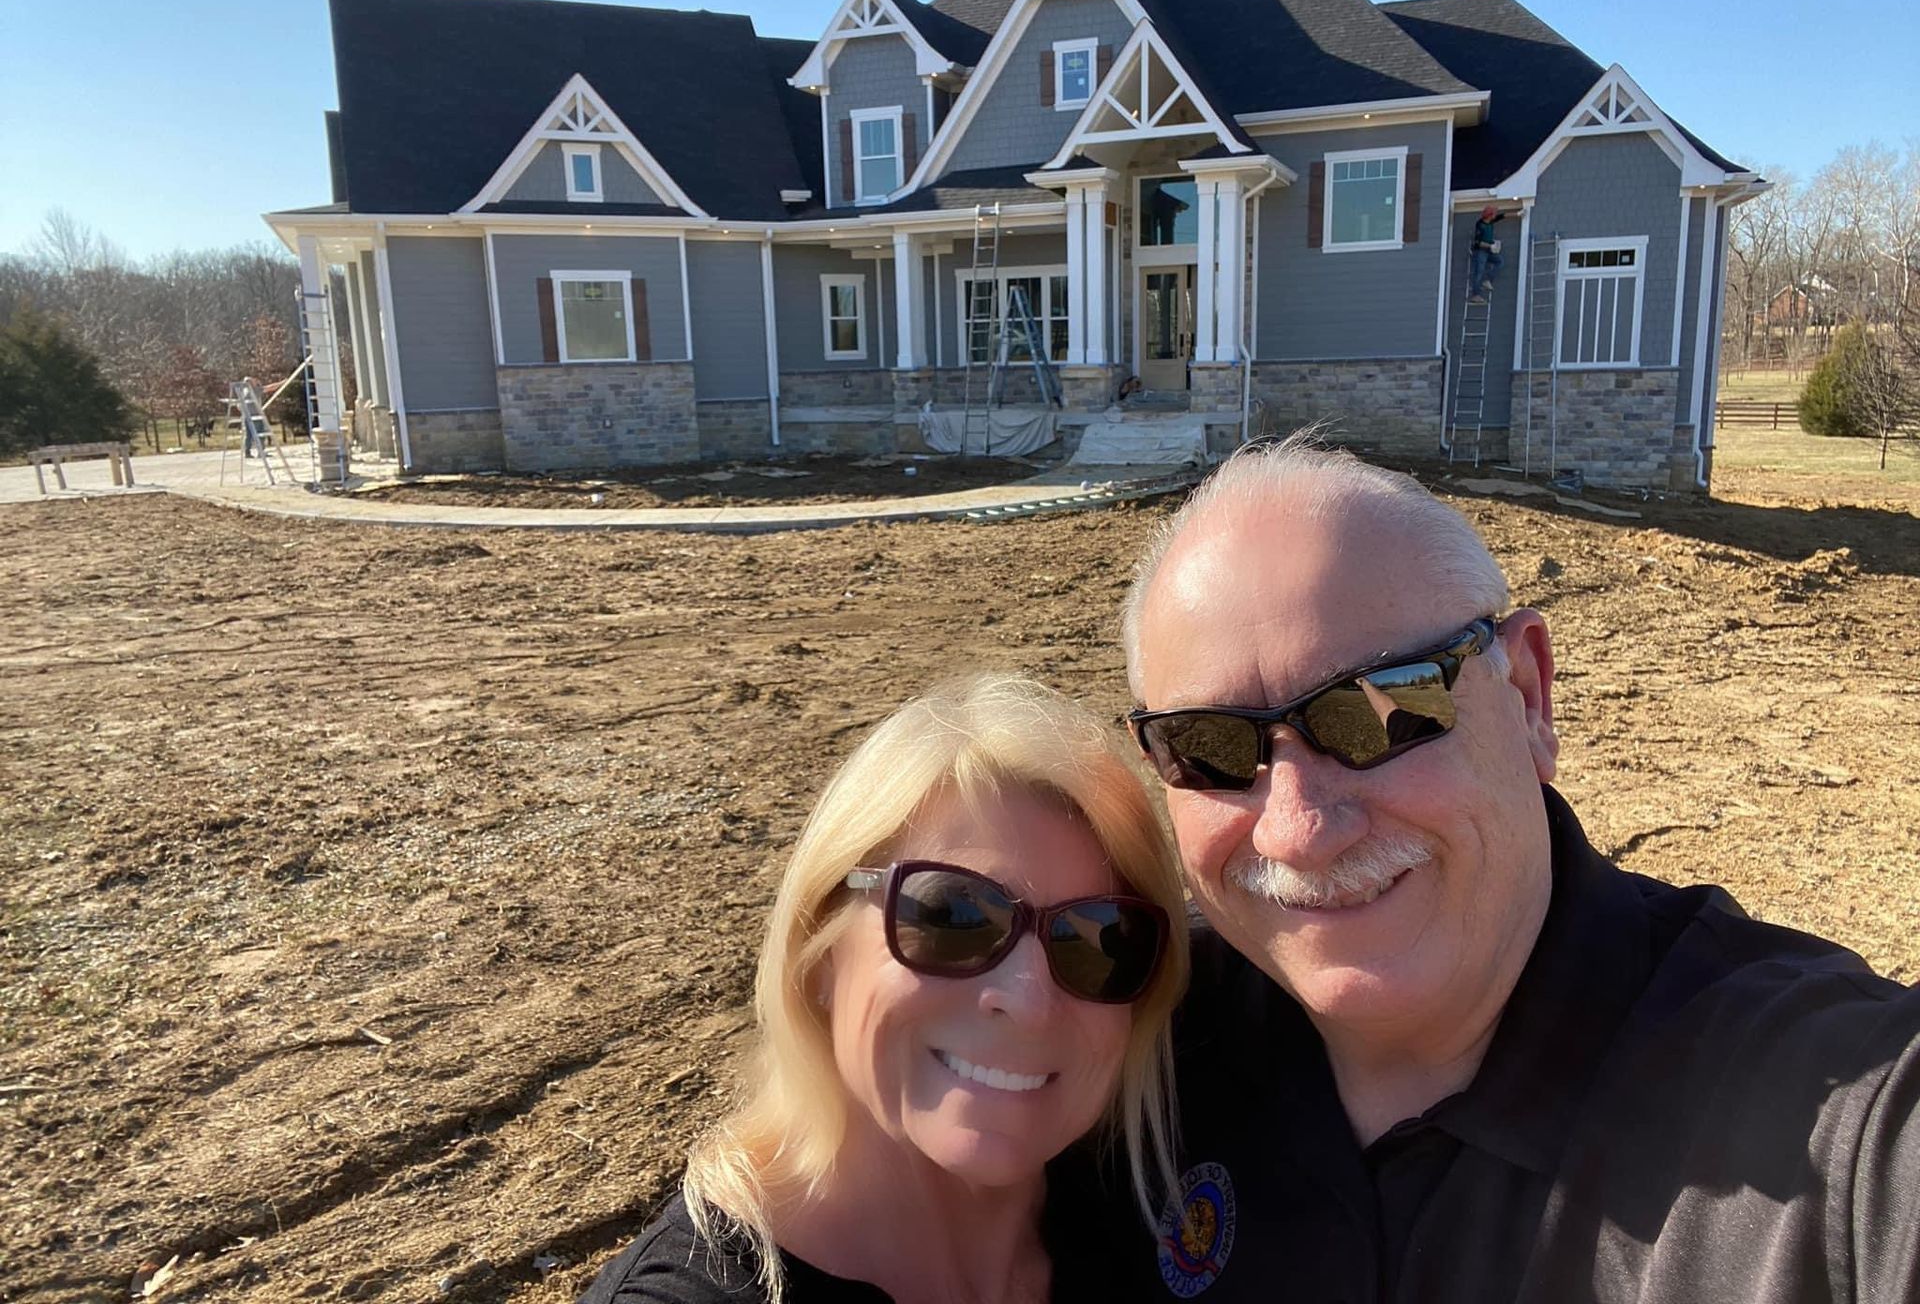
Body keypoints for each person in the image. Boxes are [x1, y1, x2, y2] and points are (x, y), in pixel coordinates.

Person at [1107, 432, 1919, 1303]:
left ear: (1529, 696)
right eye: (1210, 749)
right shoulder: (1132, 1050)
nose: (1298, 831)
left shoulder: (1844, 1123)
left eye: (1378, 711)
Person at [581, 674, 1189, 1304]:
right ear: (820, 949)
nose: (1029, 1002)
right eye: (952, 916)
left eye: (1102, 940)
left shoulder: (1160, 1214)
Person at [1467, 205, 1505, 302]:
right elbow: (1478, 242)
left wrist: (1518, 214)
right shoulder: (1480, 225)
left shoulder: (1491, 221)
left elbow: (1502, 216)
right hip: (1480, 252)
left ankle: (1487, 280)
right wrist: (1490, 246)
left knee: (1500, 261)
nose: (1495, 215)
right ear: (1489, 215)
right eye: (1493, 213)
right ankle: (1475, 295)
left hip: (1488, 252)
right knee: (1479, 272)